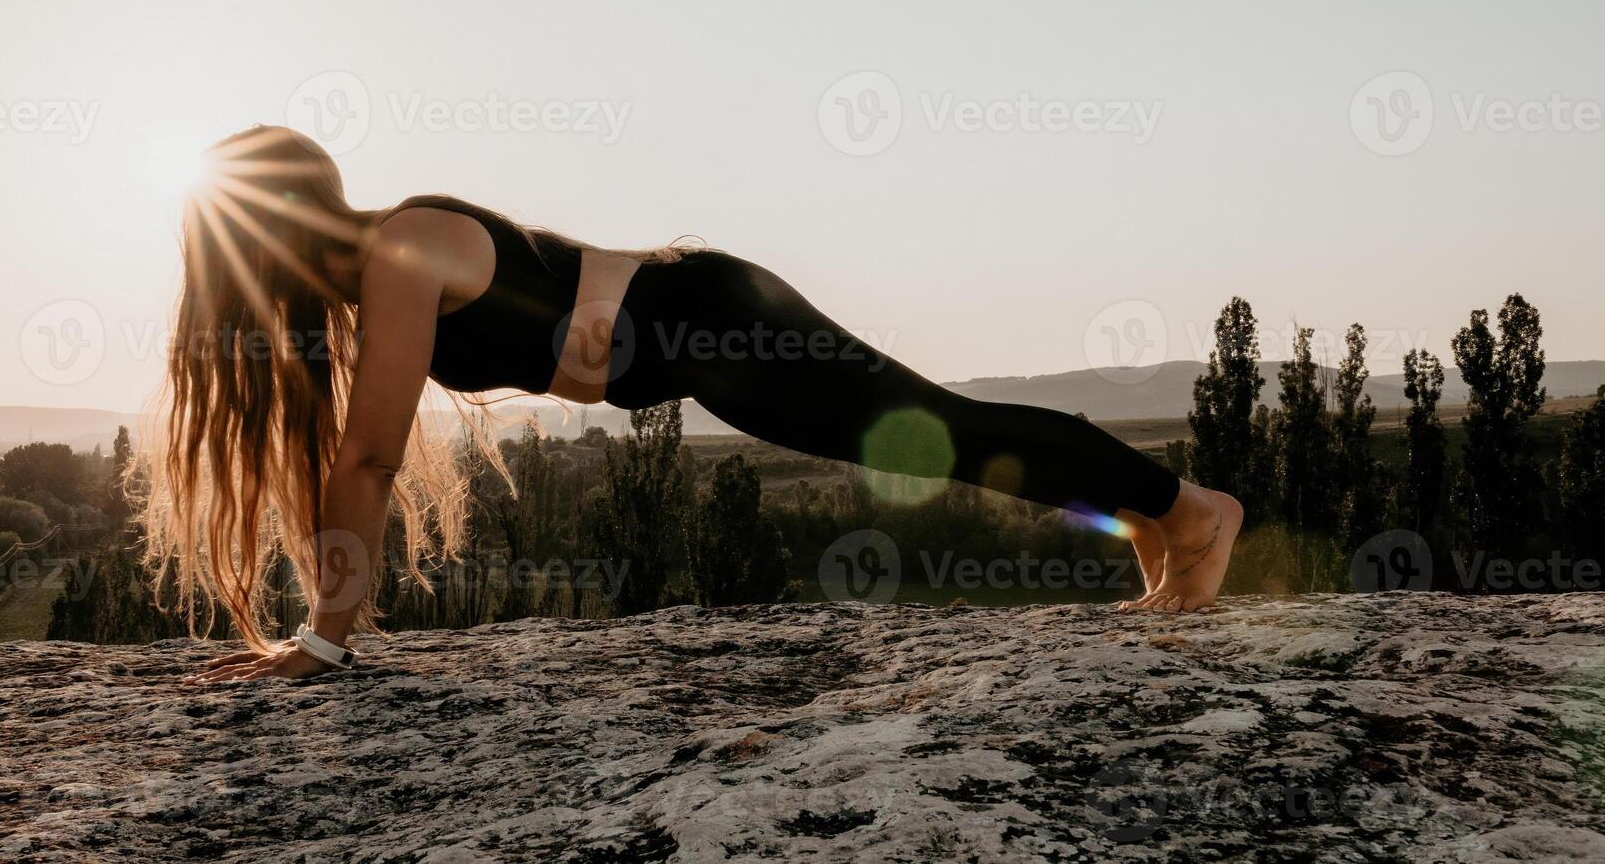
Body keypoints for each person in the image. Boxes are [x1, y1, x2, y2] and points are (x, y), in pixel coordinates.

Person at [152, 125, 1244, 684]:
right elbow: (359, 449)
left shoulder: (394, 248)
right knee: (939, 433)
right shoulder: (382, 261)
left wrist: (325, 644)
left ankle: (1188, 508)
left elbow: (367, 461)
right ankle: (1161, 518)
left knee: (938, 429)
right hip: (699, 336)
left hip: (710, 321)